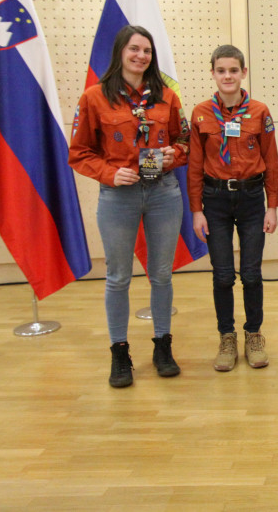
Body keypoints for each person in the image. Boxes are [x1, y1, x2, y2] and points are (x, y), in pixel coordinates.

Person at [69, 25, 189, 388]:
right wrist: (108, 173)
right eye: (134, 49)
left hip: (163, 193)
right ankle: (119, 352)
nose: (141, 56)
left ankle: (162, 345)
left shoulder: (167, 96)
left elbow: (184, 138)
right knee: (118, 277)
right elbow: (78, 153)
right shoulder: (94, 98)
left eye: (147, 51)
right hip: (119, 196)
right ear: (121, 52)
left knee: (162, 274)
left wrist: (175, 153)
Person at [189, 45, 278, 372]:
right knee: (224, 274)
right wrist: (196, 209)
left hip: (253, 199)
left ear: (243, 72)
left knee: (252, 273)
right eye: (221, 70)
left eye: (233, 70)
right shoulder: (201, 113)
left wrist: (273, 205)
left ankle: (253, 334)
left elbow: (271, 160)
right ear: (212, 73)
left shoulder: (259, 111)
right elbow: (194, 165)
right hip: (215, 201)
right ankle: (226, 336)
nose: (227, 76)